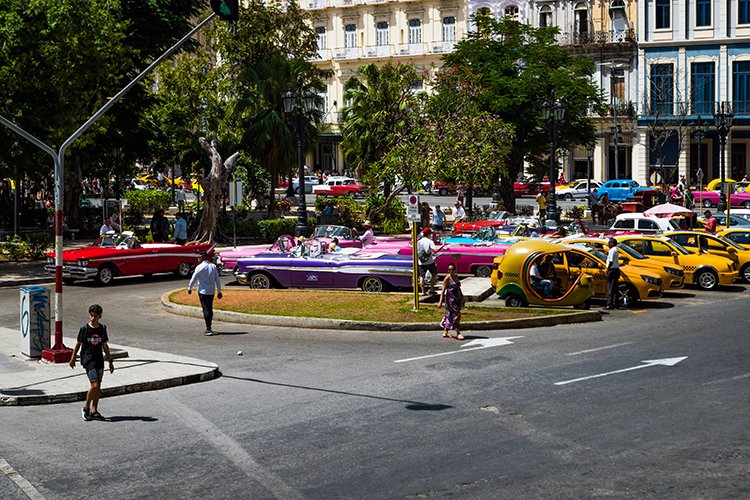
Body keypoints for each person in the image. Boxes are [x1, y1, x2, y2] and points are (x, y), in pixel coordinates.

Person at [69, 304, 115, 421]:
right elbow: (78, 344)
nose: (92, 318)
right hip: (88, 359)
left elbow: (104, 345)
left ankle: (94, 410)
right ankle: (85, 407)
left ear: (100, 316)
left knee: (98, 386)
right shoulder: (84, 329)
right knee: (94, 384)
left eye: (95, 316)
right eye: (91, 315)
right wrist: (73, 358)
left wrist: (110, 360)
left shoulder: (102, 328)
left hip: (99, 358)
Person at [187, 250, 223, 335]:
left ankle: (208, 328)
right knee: (209, 309)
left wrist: (190, 288)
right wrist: (219, 291)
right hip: (211, 291)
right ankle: (209, 326)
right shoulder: (213, 266)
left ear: (203, 257)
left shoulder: (199, 267)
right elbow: (217, 279)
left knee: (205, 309)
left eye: (199, 257)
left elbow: (194, 278)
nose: (198, 259)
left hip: (203, 291)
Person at [438, 263, 465, 340]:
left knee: (449, 315)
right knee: (456, 315)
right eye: (449, 269)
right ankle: (458, 332)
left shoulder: (456, 277)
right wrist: (440, 302)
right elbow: (443, 291)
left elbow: (459, 289)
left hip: (457, 299)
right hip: (450, 300)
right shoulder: (447, 278)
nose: (451, 271)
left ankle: (445, 331)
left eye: (452, 269)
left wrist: (462, 297)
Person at [417, 227, 444, 295]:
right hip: (430, 261)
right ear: (429, 234)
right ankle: (431, 289)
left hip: (421, 262)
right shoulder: (430, 241)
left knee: (421, 276)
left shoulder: (419, 241)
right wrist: (442, 245)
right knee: (434, 274)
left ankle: (423, 291)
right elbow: (435, 250)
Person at [605, 238, 621, 310]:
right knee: (615, 288)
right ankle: (616, 303)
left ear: (612, 243)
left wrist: (607, 270)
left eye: (609, 243)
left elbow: (610, 261)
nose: (608, 244)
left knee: (610, 288)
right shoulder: (616, 250)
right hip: (616, 270)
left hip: (612, 270)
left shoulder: (612, 250)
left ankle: (609, 304)